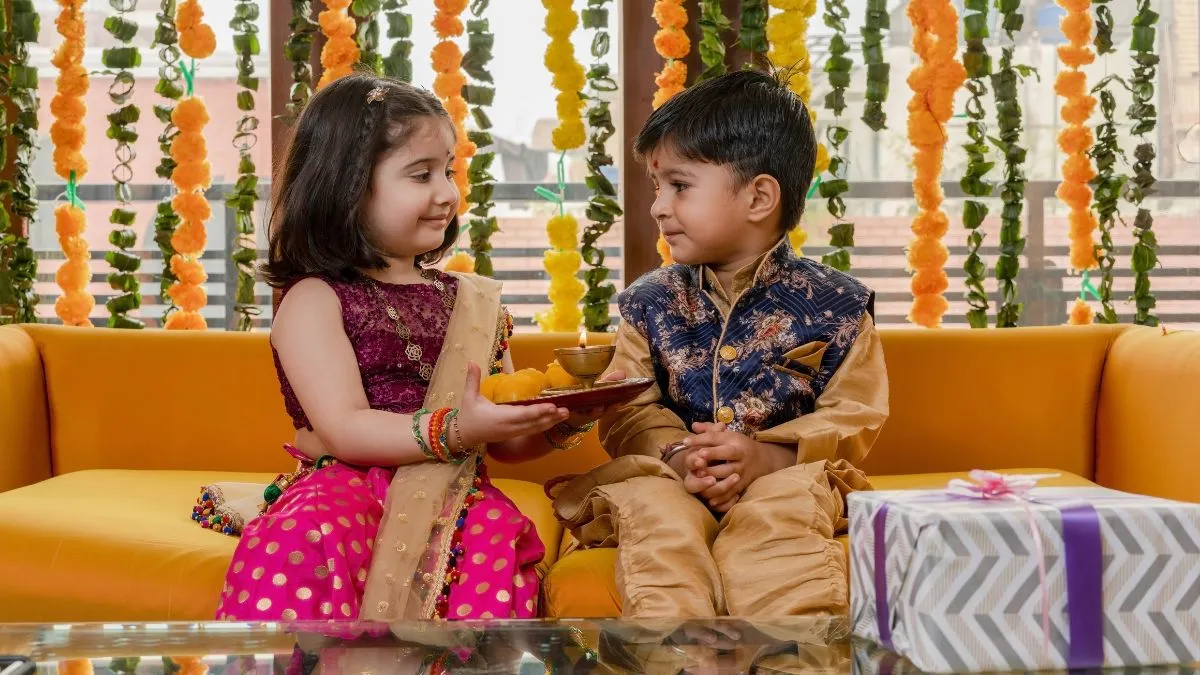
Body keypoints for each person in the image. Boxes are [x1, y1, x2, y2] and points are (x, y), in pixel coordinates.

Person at [198, 73, 600, 625]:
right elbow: (345, 428)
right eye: (421, 174)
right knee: (308, 535)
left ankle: (456, 663)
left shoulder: (472, 301)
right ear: (347, 186)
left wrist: (565, 417)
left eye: (448, 171)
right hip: (342, 490)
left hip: (457, 497)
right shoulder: (317, 299)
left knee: (497, 534)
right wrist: (458, 430)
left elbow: (504, 439)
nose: (447, 194)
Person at [553, 70, 890, 618]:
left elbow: (855, 412)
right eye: (657, 187)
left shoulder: (839, 305)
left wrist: (768, 455)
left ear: (759, 197)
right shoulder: (649, 301)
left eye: (679, 186)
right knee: (657, 516)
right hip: (673, 477)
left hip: (785, 478)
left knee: (780, 517)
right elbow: (629, 407)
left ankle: (791, 654)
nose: (658, 206)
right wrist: (679, 454)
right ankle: (673, 653)